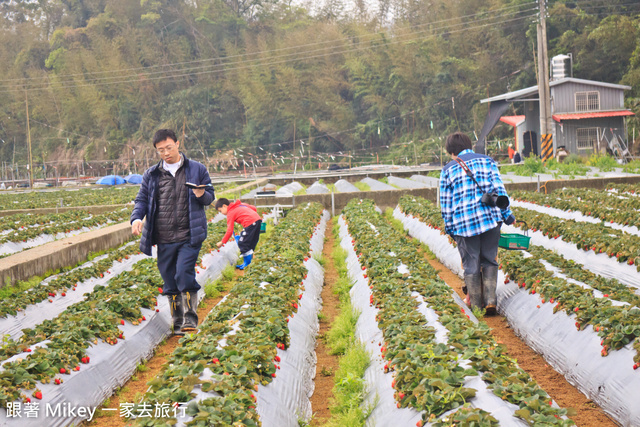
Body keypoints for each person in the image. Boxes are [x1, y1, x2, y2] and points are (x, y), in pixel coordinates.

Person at [131, 129, 215, 336]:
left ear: (177, 144)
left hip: (189, 235)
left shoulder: (196, 169)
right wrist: (136, 218)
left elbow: (210, 197)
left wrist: (201, 193)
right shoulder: (152, 175)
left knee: (183, 273)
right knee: (169, 278)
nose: (166, 153)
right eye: (161, 150)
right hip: (164, 236)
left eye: (169, 147)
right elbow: (142, 199)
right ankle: (177, 319)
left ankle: (190, 317)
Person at [439, 132, 515, 315]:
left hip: (464, 224)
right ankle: (490, 301)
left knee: (471, 263)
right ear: (469, 145)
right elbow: (499, 190)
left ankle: (476, 306)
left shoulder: (447, 170)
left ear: (451, 151)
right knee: (489, 259)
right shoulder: (487, 161)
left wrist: (450, 227)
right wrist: (507, 214)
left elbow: (446, 203)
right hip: (490, 219)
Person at [215, 198, 262, 270]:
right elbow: (253, 208)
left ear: (224, 206)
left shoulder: (230, 213)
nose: (221, 213)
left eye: (220, 211)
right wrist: (251, 215)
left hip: (250, 223)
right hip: (257, 221)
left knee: (242, 243)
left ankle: (247, 263)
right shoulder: (239, 205)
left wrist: (222, 242)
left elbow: (230, 230)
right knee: (249, 243)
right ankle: (248, 262)